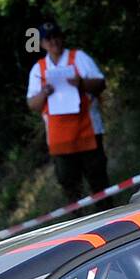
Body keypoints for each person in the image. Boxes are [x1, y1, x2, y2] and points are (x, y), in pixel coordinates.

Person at [25, 21, 110, 207]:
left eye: (56, 36)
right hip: (60, 138)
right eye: (48, 38)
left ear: (62, 37)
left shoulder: (79, 58)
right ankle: (78, 222)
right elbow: (32, 103)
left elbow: (100, 84)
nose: (53, 41)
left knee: (98, 181)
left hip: (88, 131)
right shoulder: (38, 69)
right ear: (42, 43)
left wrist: (81, 83)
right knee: (69, 186)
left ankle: (109, 217)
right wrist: (44, 92)